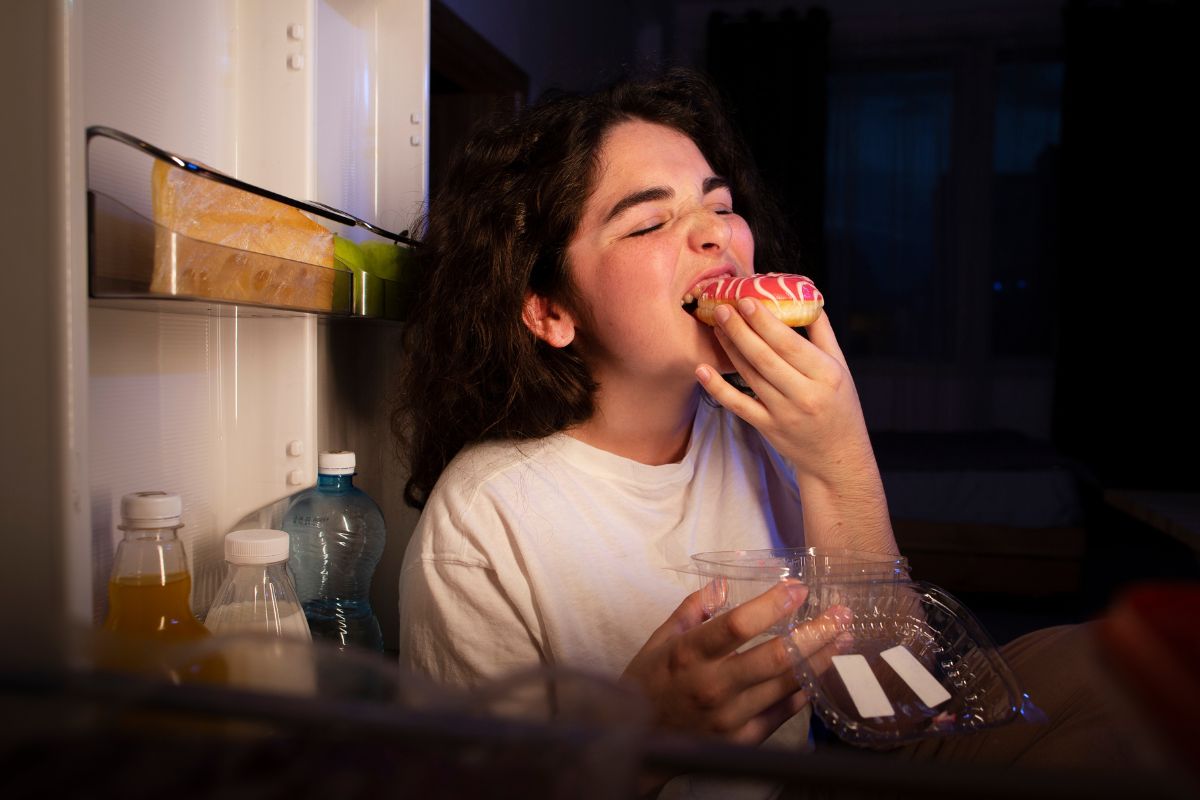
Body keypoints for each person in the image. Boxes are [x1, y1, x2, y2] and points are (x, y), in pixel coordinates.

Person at [394, 69, 1136, 780]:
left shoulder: (763, 440)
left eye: (719, 205)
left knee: (1118, 668)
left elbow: (889, 699)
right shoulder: (485, 521)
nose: (717, 236)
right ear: (551, 311)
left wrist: (837, 455)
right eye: (651, 220)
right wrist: (642, 740)